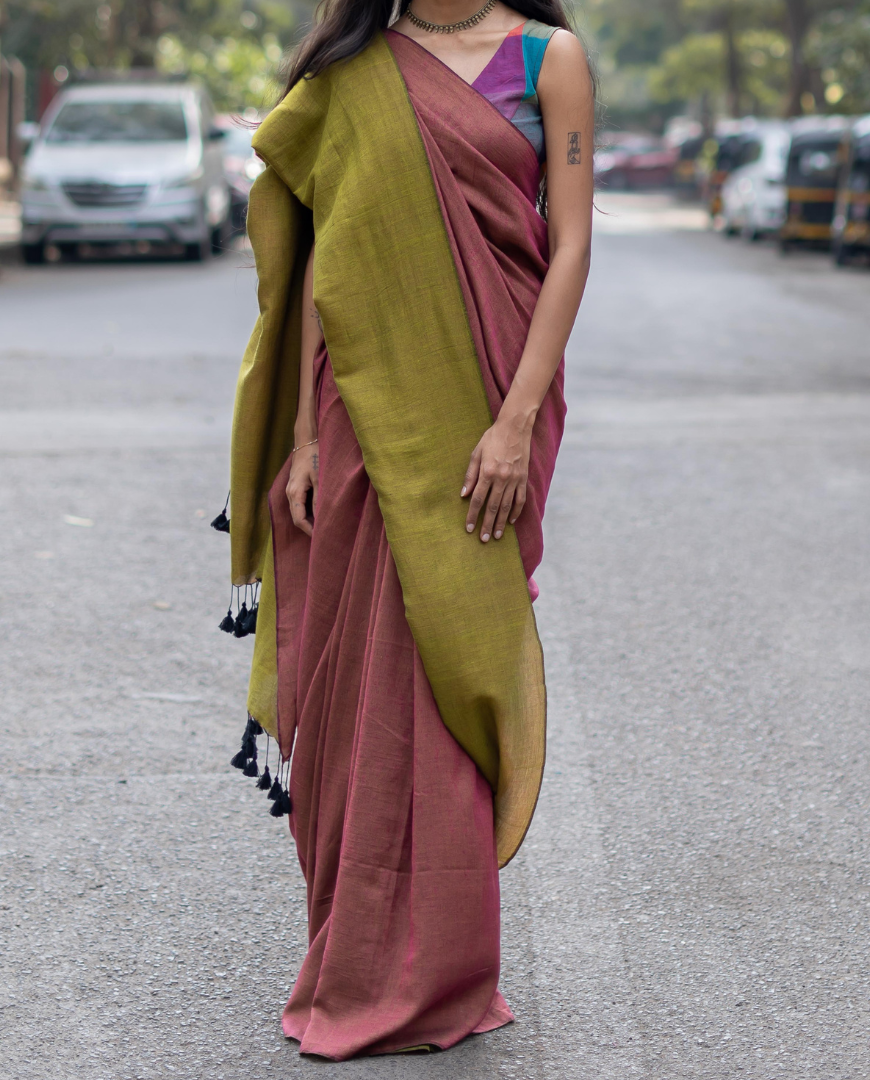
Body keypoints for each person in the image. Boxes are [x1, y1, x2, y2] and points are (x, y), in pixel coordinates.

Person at [227, 0, 593, 1059]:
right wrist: (300, 434)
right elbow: (323, 264)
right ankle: (352, 953)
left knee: (447, 649)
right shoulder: (354, 69)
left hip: (491, 390)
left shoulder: (547, 59)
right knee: (352, 676)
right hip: (353, 411)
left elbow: (568, 248)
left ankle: (437, 966)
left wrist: (516, 423)